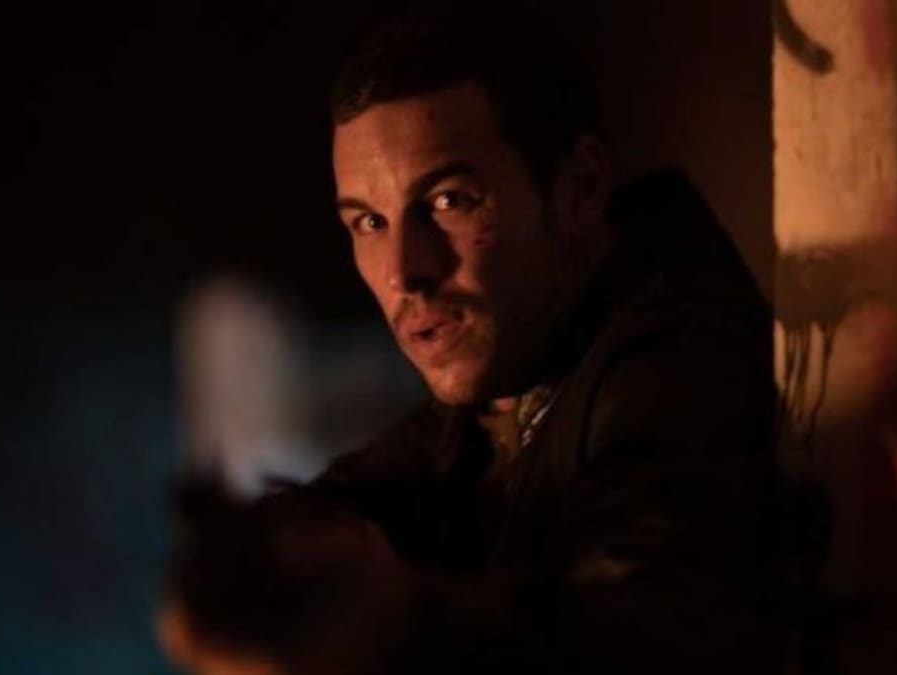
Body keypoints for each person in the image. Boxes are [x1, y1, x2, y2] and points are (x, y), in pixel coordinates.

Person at [159, 5, 782, 674]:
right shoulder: (523, 372)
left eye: (450, 202)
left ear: (578, 192)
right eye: (369, 222)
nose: (403, 271)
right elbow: (385, 488)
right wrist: (266, 557)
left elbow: (645, 628)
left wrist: (400, 622)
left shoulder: (675, 365)